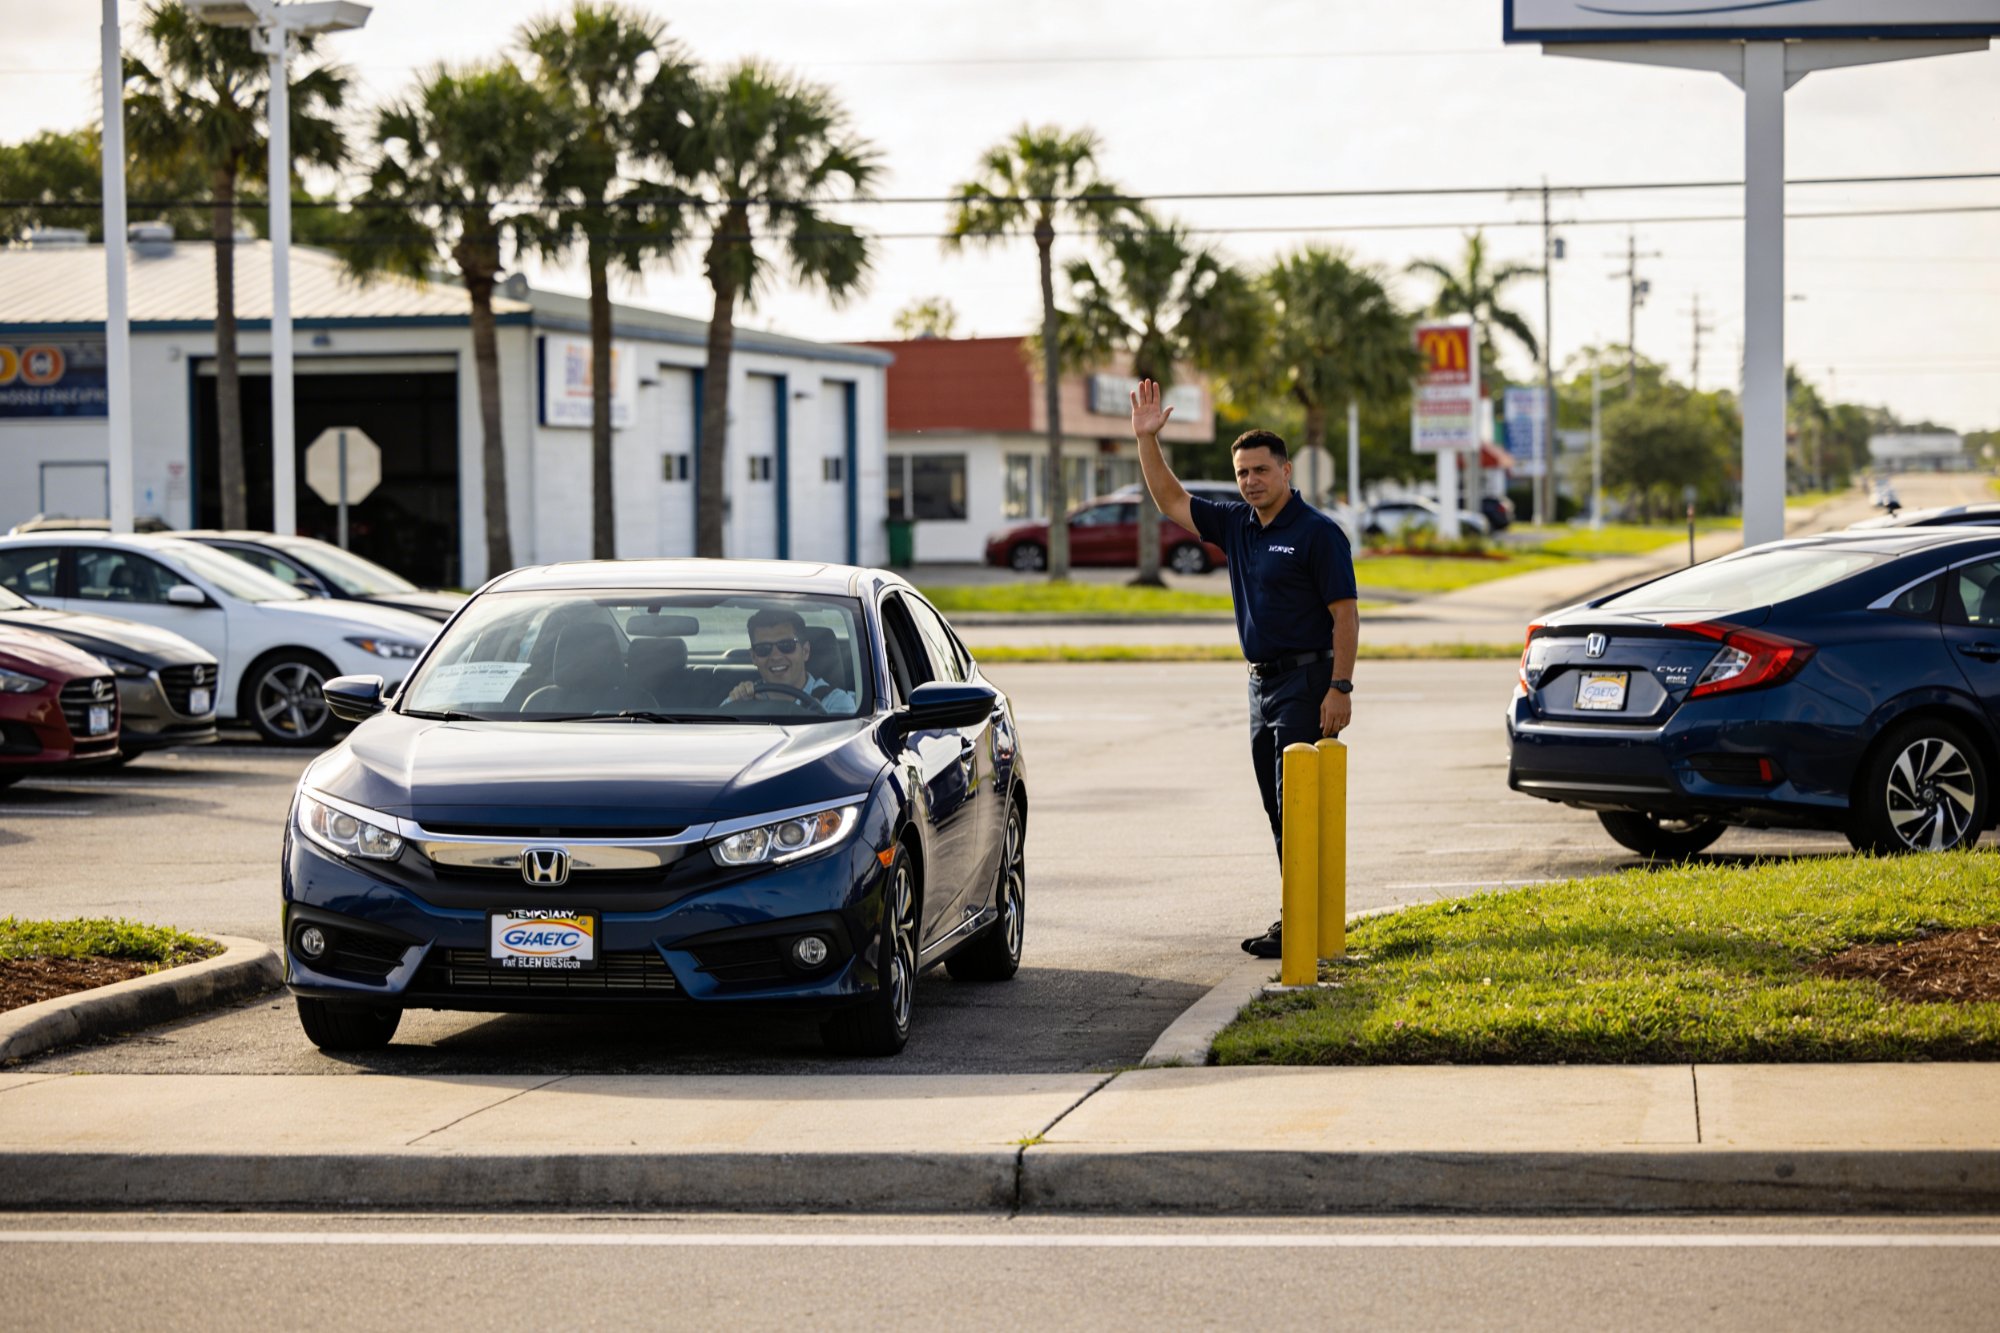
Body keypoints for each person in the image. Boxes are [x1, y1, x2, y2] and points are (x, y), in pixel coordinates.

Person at [1130, 378, 1358, 959]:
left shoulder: (1317, 533)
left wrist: (1340, 687)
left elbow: (1346, 617)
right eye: (1242, 473)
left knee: (1297, 799)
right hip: (1262, 684)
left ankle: (1305, 923)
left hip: (1309, 680)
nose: (1250, 481)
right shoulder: (1237, 525)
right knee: (1275, 803)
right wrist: (1146, 440)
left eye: (1260, 470)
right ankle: (1298, 913)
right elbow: (1171, 501)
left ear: (1286, 471)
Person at [726, 607, 858, 712]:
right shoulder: (740, 701)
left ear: (805, 651)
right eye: (763, 649)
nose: (776, 656)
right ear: (754, 657)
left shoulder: (835, 703)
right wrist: (741, 709)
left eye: (786, 646)